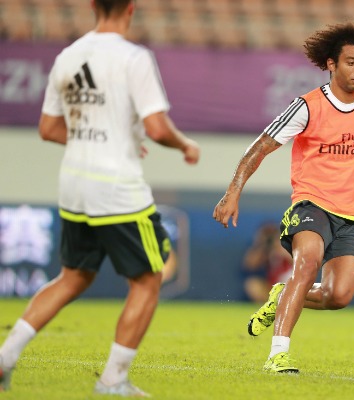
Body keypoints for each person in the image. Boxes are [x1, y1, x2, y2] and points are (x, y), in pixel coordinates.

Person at [213, 22, 354, 374]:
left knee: (339, 296)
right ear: (331, 64)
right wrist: (233, 192)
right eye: (351, 62)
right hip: (312, 203)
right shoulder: (307, 106)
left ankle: (281, 296)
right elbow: (260, 147)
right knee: (307, 263)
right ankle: (278, 355)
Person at [0, 0, 200, 396]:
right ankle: (113, 379)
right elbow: (157, 128)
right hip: (117, 187)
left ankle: (5, 356)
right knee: (148, 279)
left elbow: (47, 128)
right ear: (131, 8)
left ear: (92, 6)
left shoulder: (68, 55)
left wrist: (106, 140)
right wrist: (184, 145)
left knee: (73, 276)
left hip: (74, 183)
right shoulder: (133, 57)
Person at [242, 223, 293, 303]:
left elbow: (299, 263)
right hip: (272, 287)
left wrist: (281, 249)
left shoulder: (287, 246)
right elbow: (250, 264)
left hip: (289, 285)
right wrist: (261, 244)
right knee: (252, 284)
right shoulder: (266, 251)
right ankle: (266, 309)